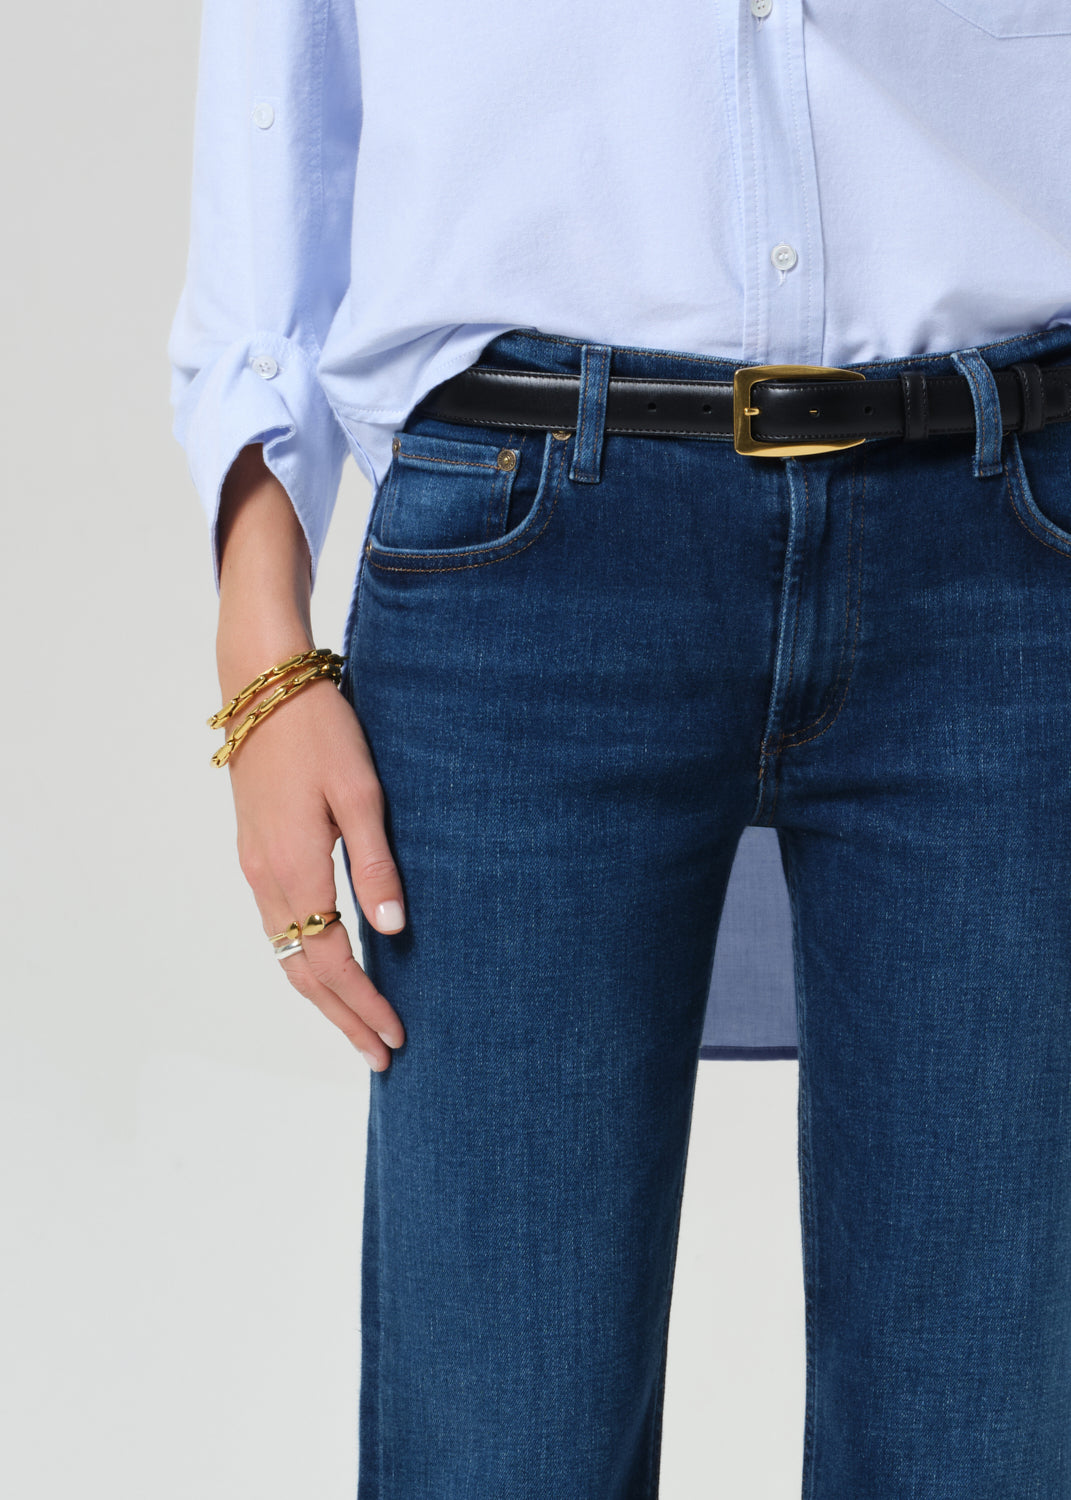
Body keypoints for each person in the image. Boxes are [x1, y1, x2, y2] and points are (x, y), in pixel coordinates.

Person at [167, 2, 1071, 1495]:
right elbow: (284, 70)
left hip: (1004, 536)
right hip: (523, 552)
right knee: (500, 1441)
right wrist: (260, 630)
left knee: (990, 1437)